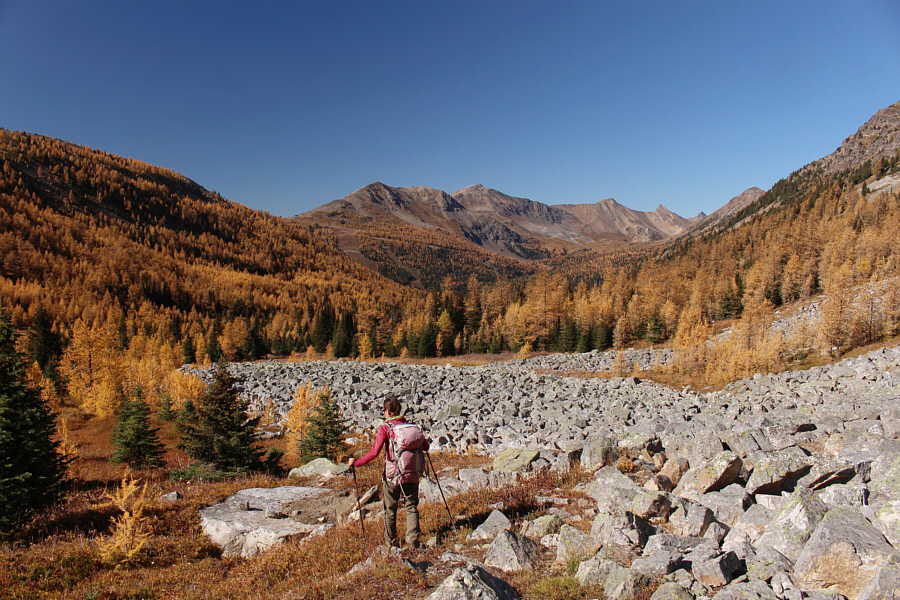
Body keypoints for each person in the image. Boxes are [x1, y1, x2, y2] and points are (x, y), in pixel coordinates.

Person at [349, 395, 429, 548]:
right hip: (412, 474)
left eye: (384, 410)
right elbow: (426, 447)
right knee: (411, 506)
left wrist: (356, 463)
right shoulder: (413, 427)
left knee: (390, 509)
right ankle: (412, 541)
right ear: (399, 409)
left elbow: (374, 453)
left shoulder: (386, 428)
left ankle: (391, 544)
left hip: (393, 475)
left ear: (387, 411)